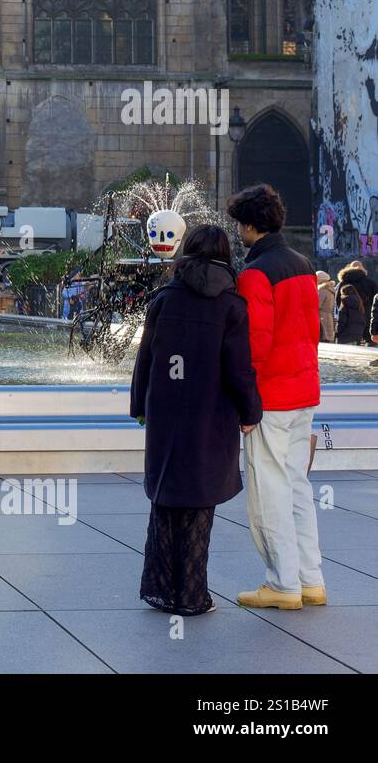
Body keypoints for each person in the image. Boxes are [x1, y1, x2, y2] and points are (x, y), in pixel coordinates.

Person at [130, 225, 262, 616]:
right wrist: (250, 412)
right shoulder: (232, 305)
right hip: (211, 416)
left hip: (167, 414)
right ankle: (191, 594)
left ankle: (160, 589)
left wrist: (140, 405)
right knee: (200, 505)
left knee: (167, 499)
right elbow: (239, 368)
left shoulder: (164, 300)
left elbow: (146, 359)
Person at [226, 184, 323, 610]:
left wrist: (245, 402)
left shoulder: (255, 273)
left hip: (272, 398)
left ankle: (282, 583)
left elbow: (255, 345)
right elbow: (312, 332)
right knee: (298, 486)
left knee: (269, 490)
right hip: (304, 392)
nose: (238, 233)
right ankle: (310, 579)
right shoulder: (303, 265)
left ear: (250, 225)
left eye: (239, 226)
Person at [338, 261, 376, 345]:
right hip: (367, 313)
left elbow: (337, 299)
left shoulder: (343, 282)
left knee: (350, 339)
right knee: (369, 340)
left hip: (347, 314)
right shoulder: (370, 282)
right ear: (362, 269)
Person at [316, 271, 336, 343]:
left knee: (322, 338)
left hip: (321, 317)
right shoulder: (330, 289)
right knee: (327, 338)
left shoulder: (322, 290)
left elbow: (317, 304)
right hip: (328, 316)